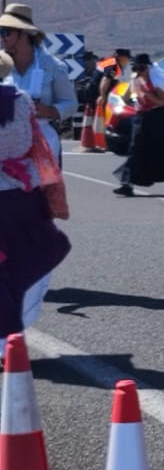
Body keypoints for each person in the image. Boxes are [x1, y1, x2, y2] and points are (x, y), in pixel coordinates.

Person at [0, 51, 71, 336]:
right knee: (33, 254)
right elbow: (35, 146)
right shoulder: (22, 101)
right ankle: (15, 328)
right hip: (20, 192)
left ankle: (5, 337)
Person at [0, 4, 77, 162]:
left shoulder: (53, 66)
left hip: (42, 139)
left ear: (24, 34)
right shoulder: (2, 64)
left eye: (6, 32)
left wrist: (49, 110)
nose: (2, 38)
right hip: (5, 142)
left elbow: (70, 103)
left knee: (40, 186)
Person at [112, 53, 164, 198]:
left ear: (148, 68)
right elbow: (125, 98)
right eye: (137, 68)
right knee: (135, 148)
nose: (139, 72)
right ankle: (127, 184)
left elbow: (161, 102)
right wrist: (137, 103)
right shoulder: (136, 79)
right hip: (143, 117)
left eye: (142, 68)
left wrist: (146, 94)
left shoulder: (157, 79)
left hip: (160, 117)